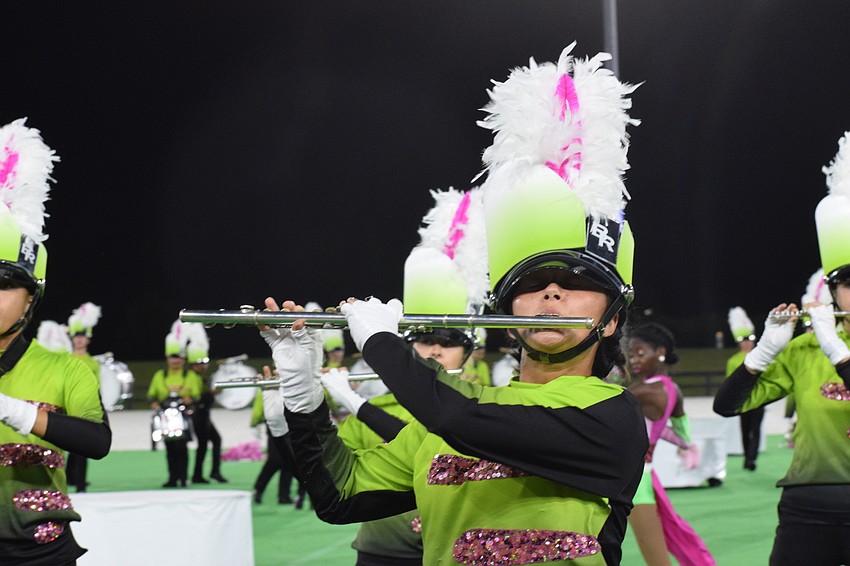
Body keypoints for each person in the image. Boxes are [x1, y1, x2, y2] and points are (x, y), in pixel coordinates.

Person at [260, 45, 647, 564]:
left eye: (575, 284)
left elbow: (461, 417)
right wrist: (301, 387)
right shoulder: (444, 414)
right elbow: (340, 494)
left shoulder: (609, 415)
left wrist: (378, 339)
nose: (552, 294)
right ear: (508, 318)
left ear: (611, 320)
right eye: (533, 286)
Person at [318, 187, 487, 565]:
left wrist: (355, 403)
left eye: (449, 341)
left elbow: (436, 437)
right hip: (383, 553)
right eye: (424, 340)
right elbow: (331, 480)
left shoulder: (486, 406)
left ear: (469, 349)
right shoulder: (380, 404)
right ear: (408, 346)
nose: (436, 350)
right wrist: (296, 413)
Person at [714, 131, 850, 565]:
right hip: (808, 504)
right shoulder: (804, 350)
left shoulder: (823, 345)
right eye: (849, 284)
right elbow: (726, 407)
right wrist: (763, 353)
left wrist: (833, 345)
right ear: (833, 290)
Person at [0, 118, 111, 564]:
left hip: (41, 553)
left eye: (4, 284)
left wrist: (15, 412)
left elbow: (97, 443)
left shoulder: (67, 369)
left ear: (32, 298)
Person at [626, 322, 714, 566]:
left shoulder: (642, 391)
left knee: (655, 555)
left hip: (635, 480)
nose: (633, 359)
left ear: (660, 352)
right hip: (646, 474)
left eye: (639, 353)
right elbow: (682, 436)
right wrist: (679, 444)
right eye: (631, 354)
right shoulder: (673, 389)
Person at [147, 320, 203, 488]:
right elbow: (152, 395)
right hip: (166, 416)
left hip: (183, 415)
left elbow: (197, 394)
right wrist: (154, 403)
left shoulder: (190, 376)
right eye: (172, 357)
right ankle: (172, 478)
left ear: (184, 359)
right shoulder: (160, 375)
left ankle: (183, 478)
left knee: (182, 449)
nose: (176, 360)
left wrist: (190, 400)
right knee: (170, 449)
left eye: (179, 357)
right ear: (167, 358)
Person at [65, 302, 103, 492]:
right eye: (76, 336)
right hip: (66, 407)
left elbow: (96, 387)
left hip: (84, 409)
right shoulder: (65, 359)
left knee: (82, 447)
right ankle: (69, 479)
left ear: (88, 339)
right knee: (66, 446)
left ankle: (80, 483)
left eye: (82, 337)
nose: (79, 340)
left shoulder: (92, 363)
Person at [184, 323, 227, 484]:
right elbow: (195, 397)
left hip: (204, 415)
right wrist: (211, 394)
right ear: (193, 364)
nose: (203, 365)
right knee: (204, 445)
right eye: (199, 363)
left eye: (204, 362)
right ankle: (199, 474)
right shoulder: (192, 377)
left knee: (214, 441)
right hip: (198, 415)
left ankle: (211, 472)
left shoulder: (199, 377)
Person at [725, 306, 763, 470]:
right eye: (744, 339)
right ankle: (747, 455)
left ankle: (752, 459)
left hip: (759, 398)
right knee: (745, 429)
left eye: (750, 338)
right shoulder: (733, 360)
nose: (747, 342)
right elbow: (730, 382)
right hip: (743, 400)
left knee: (755, 429)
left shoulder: (760, 356)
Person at [250, 389, 303, 505]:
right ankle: (258, 489)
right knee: (275, 461)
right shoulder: (268, 385)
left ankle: (284, 495)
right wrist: (255, 421)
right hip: (275, 425)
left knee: (289, 460)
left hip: (290, 425)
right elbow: (260, 404)